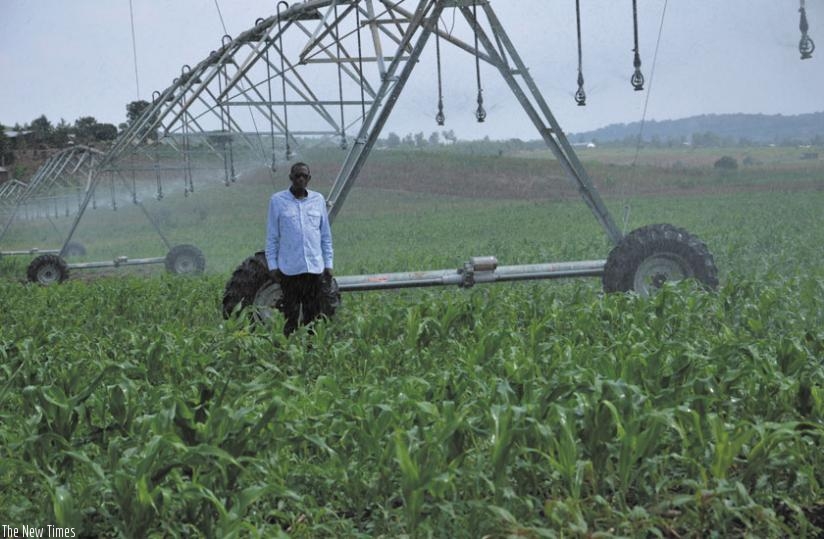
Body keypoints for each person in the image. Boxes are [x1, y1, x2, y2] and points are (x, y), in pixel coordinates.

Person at [265, 162, 334, 336]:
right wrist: (272, 266)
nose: (301, 179)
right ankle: (290, 352)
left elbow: (325, 235)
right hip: (290, 270)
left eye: (304, 176)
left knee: (313, 316)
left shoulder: (318, 200)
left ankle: (310, 353)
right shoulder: (277, 201)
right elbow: (272, 236)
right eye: (297, 176)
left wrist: (328, 264)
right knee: (291, 316)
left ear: (309, 178)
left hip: (314, 268)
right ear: (291, 178)